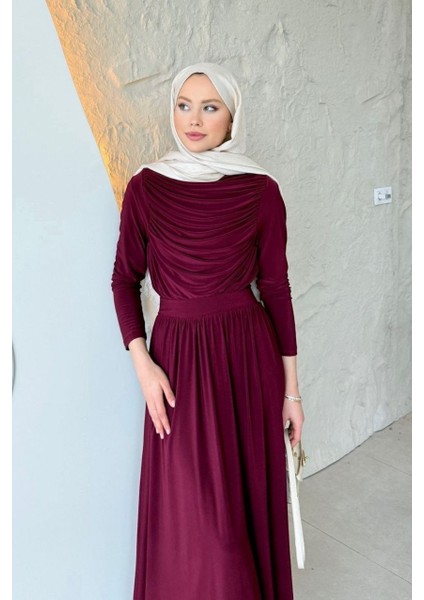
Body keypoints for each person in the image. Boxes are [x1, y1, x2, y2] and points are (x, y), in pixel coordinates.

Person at [111, 62, 304, 600]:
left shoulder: (260, 191)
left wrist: (291, 392)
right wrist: (143, 365)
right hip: (176, 364)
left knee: (242, 510)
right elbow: (124, 280)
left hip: (246, 359)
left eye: (210, 107)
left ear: (231, 118)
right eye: (184, 105)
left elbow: (277, 290)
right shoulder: (146, 188)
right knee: (198, 522)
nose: (194, 120)